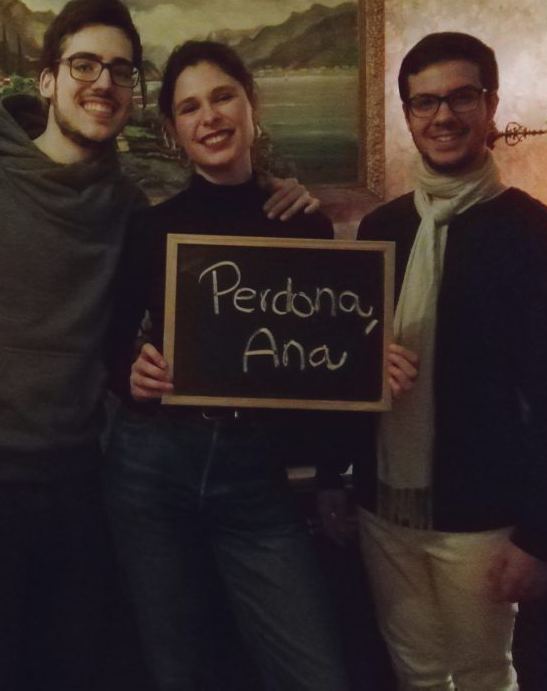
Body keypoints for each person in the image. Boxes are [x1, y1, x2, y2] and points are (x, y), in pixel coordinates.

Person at [0, 0, 316, 690]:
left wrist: (283, 191)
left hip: (85, 480)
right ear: (47, 80)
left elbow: (212, 204)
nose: (103, 83)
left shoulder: (128, 204)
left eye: (121, 71)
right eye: (84, 64)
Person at [321, 31, 547, 690]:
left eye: (461, 97)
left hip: (483, 516)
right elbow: (347, 364)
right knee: (415, 674)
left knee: (482, 677)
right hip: (385, 506)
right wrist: (332, 476)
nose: (443, 116)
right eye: (425, 102)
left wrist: (540, 536)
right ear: (407, 114)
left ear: (491, 104)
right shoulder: (382, 230)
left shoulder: (538, 236)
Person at [103, 39, 353, 691]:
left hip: (255, 471)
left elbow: (324, 362)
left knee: (317, 673)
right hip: (154, 465)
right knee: (178, 669)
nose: (209, 117)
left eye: (222, 97)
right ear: (172, 130)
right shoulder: (152, 228)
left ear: (251, 105)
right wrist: (132, 373)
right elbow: (109, 346)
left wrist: (332, 474)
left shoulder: (303, 225)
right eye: (189, 107)